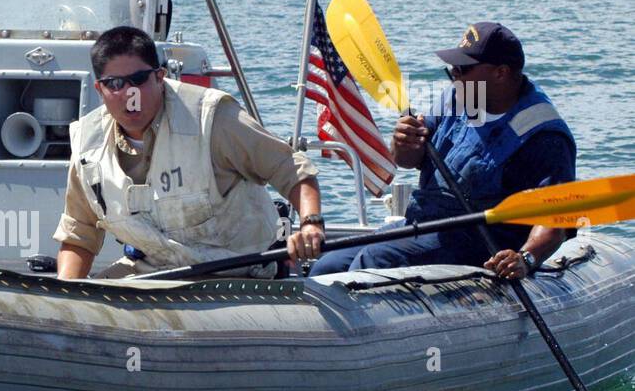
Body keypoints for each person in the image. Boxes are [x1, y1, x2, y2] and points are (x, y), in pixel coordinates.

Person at [54, 26, 324, 280]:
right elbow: (79, 234)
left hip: (242, 275)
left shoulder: (212, 117)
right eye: (115, 83)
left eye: (138, 79)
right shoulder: (88, 145)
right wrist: (64, 299)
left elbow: (288, 166)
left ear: (160, 77)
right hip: (153, 275)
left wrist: (310, 224)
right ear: (99, 89)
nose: (129, 93)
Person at [309, 22, 575, 279]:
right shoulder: (455, 98)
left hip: (481, 241)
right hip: (424, 223)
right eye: (452, 68)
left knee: (374, 261)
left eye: (462, 68)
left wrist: (526, 258)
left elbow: (554, 221)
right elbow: (409, 160)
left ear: (500, 73)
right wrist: (402, 142)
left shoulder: (543, 134)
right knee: (328, 264)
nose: (454, 74)